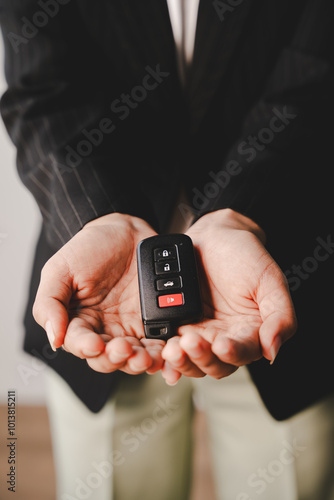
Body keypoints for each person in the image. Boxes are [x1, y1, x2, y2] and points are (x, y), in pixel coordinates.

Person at [1, 1, 334, 499]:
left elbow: (317, 83)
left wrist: (242, 213)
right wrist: (97, 217)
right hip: (103, 303)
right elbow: (42, 90)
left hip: (277, 291)